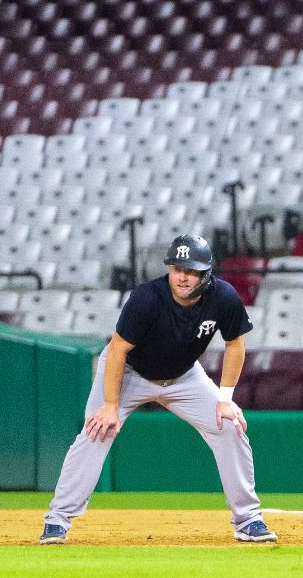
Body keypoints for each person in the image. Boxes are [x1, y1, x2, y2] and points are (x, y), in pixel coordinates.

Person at [40, 233, 276, 545]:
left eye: (190, 270)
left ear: (206, 273)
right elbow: (118, 349)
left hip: (183, 376)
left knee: (230, 426)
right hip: (129, 372)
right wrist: (110, 405)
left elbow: (235, 344)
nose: (182, 276)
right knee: (97, 430)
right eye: (177, 268)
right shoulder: (146, 298)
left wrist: (225, 399)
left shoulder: (223, 297)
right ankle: (57, 521)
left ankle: (248, 519)